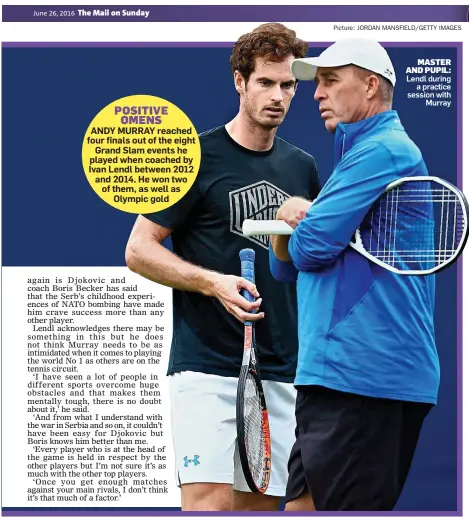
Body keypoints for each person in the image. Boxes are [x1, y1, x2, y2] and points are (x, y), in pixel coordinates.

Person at [125, 23, 320, 511]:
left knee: (256, 510)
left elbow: (302, 264)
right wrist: (212, 283)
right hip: (205, 365)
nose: (278, 96)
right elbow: (139, 249)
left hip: (279, 367)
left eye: (288, 85)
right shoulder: (194, 156)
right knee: (208, 508)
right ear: (240, 81)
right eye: (265, 83)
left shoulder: (303, 168)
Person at [269, 38, 439, 511]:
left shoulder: (383, 151)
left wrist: (297, 220)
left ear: (369, 87)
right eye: (317, 83)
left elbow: (309, 248)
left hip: (365, 376)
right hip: (335, 375)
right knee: (301, 509)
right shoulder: (358, 156)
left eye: (329, 80)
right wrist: (294, 223)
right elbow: (284, 265)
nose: (317, 94)